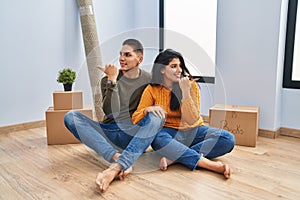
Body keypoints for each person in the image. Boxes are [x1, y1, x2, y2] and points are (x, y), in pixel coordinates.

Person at [64, 39, 164, 192]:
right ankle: (118, 158)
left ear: (140, 59)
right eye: (120, 55)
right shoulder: (108, 79)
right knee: (71, 116)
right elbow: (111, 111)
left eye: (127, 55)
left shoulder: (148, 79)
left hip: (132, 132)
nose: (122, 58)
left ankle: (117, 165)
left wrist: (150, 109)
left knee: (158, 116)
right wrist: (112, 80)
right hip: (108, 132)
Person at [132, 49, 235, 178]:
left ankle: (176, 158)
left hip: (194, 130)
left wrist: (185, 92)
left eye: (180, 66)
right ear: (162, 70)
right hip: (169, 132)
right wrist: (147, 109)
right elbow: (136, 117)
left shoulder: (190, 85)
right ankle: (208, 164)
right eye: (173, 66)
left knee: (228, 139)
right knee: (157, 139)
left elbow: (192, 120)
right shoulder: (152, 89)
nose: (179, 70)